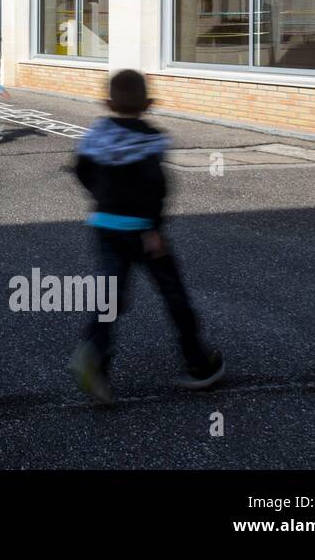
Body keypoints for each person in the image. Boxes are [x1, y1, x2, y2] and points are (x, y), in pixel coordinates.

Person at [67, 69, 224, 404]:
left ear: (107, 102)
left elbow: (81, 170)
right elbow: (156, 187)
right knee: (173, 293)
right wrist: (152, 227)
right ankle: (199, 363)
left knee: (110, 296)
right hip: (142, 232)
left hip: (105, 225)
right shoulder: (151, 140)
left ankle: (94, 354)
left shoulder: (97, 135)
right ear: (149, 103)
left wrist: (101, 197)